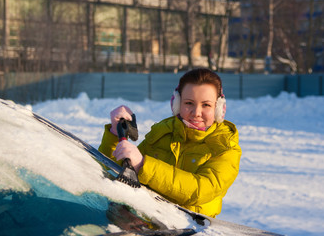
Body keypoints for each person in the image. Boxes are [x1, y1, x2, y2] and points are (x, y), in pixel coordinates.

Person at [98, 68, 242, 218]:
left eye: (206, 105)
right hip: (145, 222)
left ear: (219, 109)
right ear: (177, 103)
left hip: (189, 228)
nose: (196, 112)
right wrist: (116, 134)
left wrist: (143, 165)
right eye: (189, 103)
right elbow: (117, 174)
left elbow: (200, 190)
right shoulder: (163, 132)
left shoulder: (226, 147)